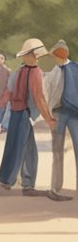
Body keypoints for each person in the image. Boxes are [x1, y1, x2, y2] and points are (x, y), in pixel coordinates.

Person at [0, 38, 59, 197]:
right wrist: (49, 119)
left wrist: (0, 112)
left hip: (16, 113)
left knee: (16, 146)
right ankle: (27, 185)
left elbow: (7, 94)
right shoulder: (35, 72)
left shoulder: (18, 72)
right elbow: (39, 98)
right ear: (35, 54)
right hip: (25, 113)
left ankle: (7, 179)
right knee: (28, 151)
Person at [47, 40, 77, 201]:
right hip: (62, 113)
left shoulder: (73, 68)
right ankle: (55, 189)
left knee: (62, 151)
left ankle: (56, 189)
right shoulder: (55, 71)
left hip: (70, 114)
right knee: (57, 151)